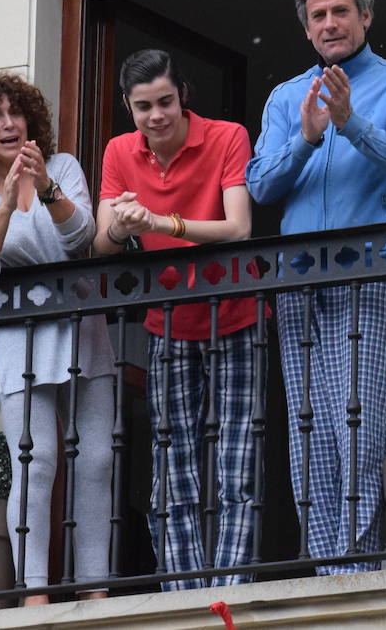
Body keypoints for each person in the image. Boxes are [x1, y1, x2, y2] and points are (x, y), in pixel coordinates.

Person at [246, 0, 386, 573]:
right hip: (300, 281)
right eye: (318, 16)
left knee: (358, 418)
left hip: (369, 277)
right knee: (307, 435)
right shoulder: (285, 98)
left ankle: (359, 564)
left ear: (365, 18)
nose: (330, 23)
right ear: (307, 30)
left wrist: (352, 123)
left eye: (340, 12)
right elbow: (260, 184)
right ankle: (330, 566)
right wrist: (306, 136)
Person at [0, 72, 114, 605]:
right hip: (19, 340)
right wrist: (3, 206)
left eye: (16, 112)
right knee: (35, 464)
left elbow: (81, 236)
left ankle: (95, 590)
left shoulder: (60, 169)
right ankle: (34, 592)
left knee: (98, 460)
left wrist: (43, 188)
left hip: (81, 325)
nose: (9, 123)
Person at [93, 49, 259, 590]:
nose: (156, 115)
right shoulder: (119, 151)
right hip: (167, 321)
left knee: (237, 456)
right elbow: (102, 246)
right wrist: (122, 226)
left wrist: (162, 221)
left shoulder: (227, 136)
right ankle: (183, 590)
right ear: (127, 107)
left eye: (165, 101)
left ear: (182, 93)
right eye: (143, 107)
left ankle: (229, 584)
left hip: (237, 311)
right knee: (172, 461)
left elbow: (238, 228)